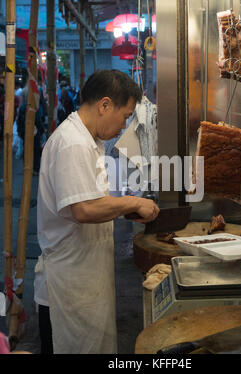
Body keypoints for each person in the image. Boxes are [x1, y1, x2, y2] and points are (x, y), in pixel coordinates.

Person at [34, 69, 160, 354]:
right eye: (125, 116)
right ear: (104, 105)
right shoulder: (72, 143)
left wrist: (123, 206)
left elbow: (94, 199)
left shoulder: (92, 142)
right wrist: (132, 203)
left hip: (85, 279)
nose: (125, 125)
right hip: (68, 288)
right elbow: (84, 209)